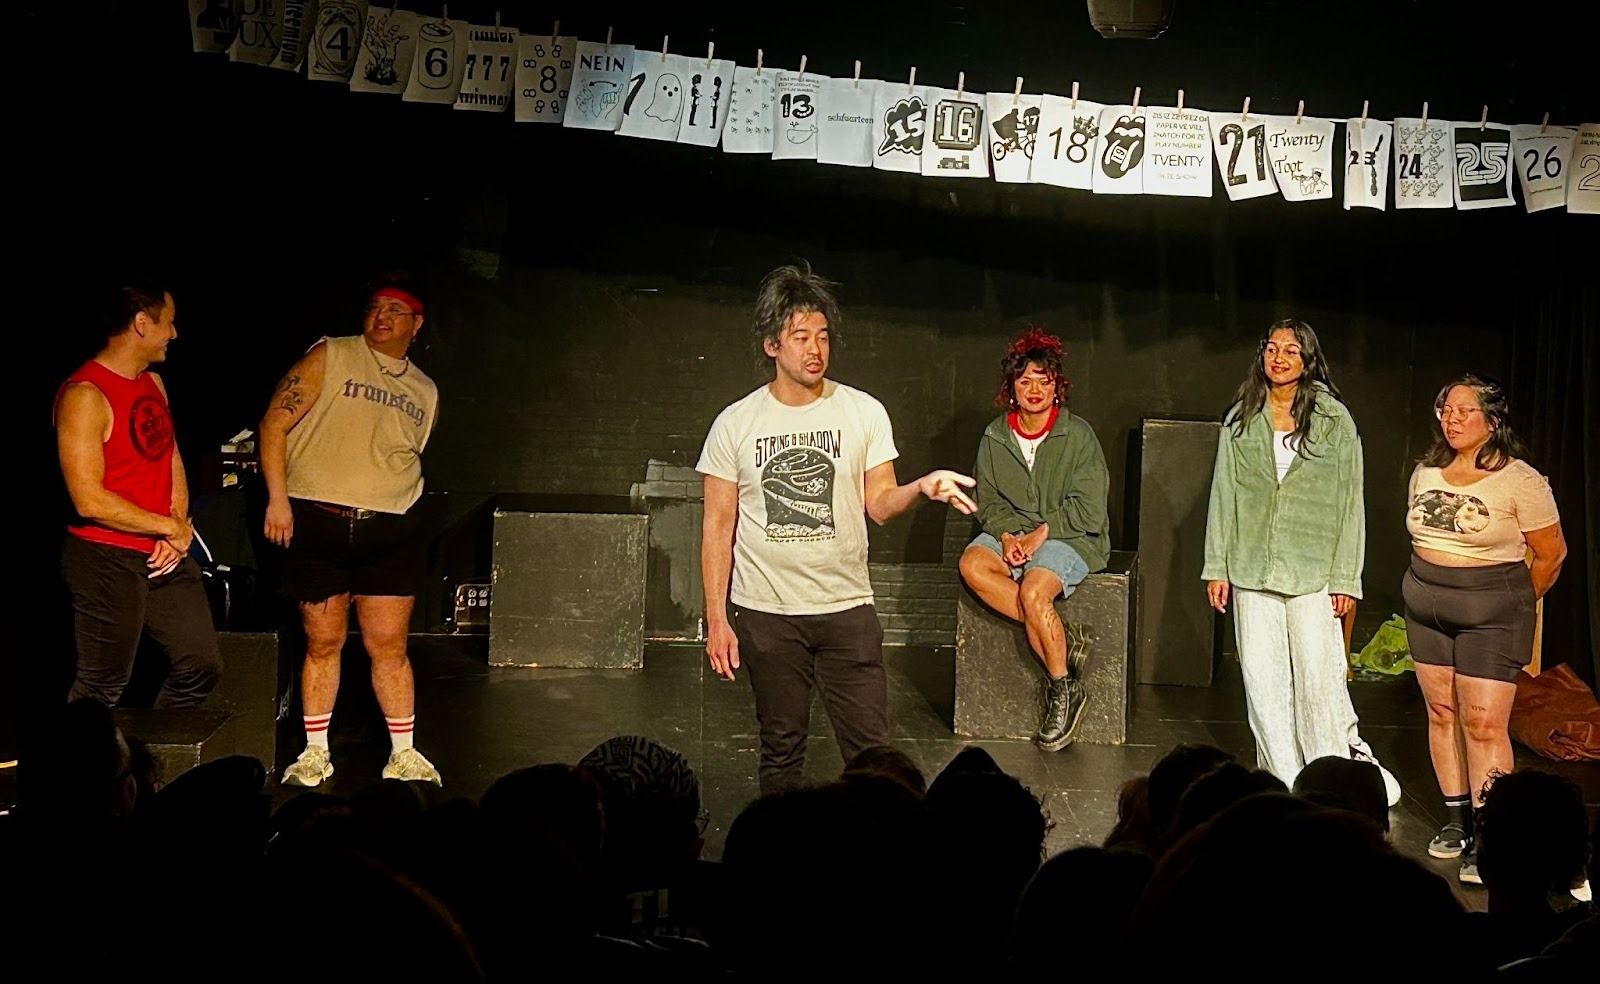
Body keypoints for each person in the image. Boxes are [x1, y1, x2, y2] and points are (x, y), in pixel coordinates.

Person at [697, 263, 976, 794]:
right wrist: (716, 618)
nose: (815, 349)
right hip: (767, 613)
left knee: (873, 755)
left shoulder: (862, 412)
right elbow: (717, 525)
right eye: (801, 337)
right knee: (781, 749)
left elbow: (880, 505)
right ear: (772, 345)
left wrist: (921, 487)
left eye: (822, 336)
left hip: (846, 608)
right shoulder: (735, 423)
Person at [1202, 318, 1398, 803]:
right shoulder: (1242, 417)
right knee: (1263, 684)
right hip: (1252, 565)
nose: (1280, 358)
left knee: (1319, 681)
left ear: (1308, 358)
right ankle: (1283, 783)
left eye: (1291, 350)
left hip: (1313, 569)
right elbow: (1223, 495)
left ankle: (1332, 778)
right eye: (1272, 348)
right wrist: (1216, 566)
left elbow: (1350, 502)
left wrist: (1345, 577)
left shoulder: (1333, 419)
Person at [262, 273, 442, 787]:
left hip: (389, 528)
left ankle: (404, 754)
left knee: (389, 645)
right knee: (324, 641)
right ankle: (315, 752)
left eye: (395, 310)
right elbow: (274, 424)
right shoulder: (332, 354)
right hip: (319, 522)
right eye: (375, 307)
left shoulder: (425, 390)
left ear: (416, 324)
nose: (382, 316)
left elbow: (408, 453)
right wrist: (278, 499)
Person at [1402, 374, 1565, 877]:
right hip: (1426, 608)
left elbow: (1551, 555)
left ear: (1492, 421)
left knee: (1483, 724)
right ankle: (1457, 821)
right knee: (1441, 712)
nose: (1451, 420)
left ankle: (1492, 831)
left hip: (1491, 614)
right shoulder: (1426, 471)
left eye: (1463, 411)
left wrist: (1508, 604)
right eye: (1445, 410)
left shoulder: (1521, 480)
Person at [55, 279, 220, 709]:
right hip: (105, 557)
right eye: (169, 323)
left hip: (164, 550)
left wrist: (177, 526)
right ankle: (82, 754)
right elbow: (89, 499)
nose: (174, 334)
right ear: (142, 324)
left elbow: (169, 456)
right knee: (102, 685)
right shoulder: (84, 396)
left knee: (200, 664)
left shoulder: (154, 384)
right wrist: (168, 527)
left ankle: (149, 751)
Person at [957, 327, 1109, 749]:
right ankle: (1063, 637)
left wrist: (1042, 533)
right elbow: (988, 503)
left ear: (1058, 387)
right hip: (1016, 533)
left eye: (1044, 381)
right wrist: (1007, 536)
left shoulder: (1078, 436)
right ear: (1011, 389)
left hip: (1071, 536)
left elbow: (1089, 510)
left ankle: (1063, 686)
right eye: (1025, 381)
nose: (1035, 390)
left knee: (1034, 590)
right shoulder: (995, 437)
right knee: (972, 564)